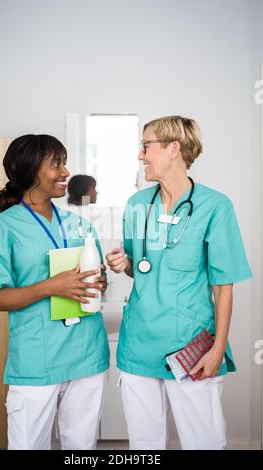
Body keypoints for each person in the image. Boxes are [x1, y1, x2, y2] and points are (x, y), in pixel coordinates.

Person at [106, 116, 252, 450]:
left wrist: (218, 349)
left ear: (174, 148)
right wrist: (123, 263)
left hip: (191, 347)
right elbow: (138, 268)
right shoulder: (137, 205)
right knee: (145, 447)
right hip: (139, 347)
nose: (140, 155)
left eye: (146, 146)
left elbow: (223, 286)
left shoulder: (215, 207)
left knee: (204, 443)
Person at [0, 135, 110, 450]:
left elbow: (96, 280)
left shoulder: (78, 225)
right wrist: (53, 286)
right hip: (37, 360)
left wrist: (99, 280)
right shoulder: (4, 227)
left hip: (86, 354)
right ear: (29, 170)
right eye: (56, 164)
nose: (65, 171)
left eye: (64, 162)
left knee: (82, 449)